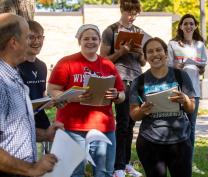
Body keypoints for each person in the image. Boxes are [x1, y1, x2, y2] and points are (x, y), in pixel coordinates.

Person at [48, 24, 125, 177]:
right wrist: (73, 97)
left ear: (100, 41)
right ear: (79, 41)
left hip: (103, 127)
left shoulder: (107, 64)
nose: (90, 42)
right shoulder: (67, 62)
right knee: (74, 173)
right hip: (72, 127)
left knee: (104, 172)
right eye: (86, 38)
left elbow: (122, 95)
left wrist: (116, 95)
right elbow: (51, 90)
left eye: (94, 38)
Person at [0, 13, 57, 177]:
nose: (34, 43)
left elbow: (12, 131)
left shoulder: (14, 75)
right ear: (14, 42)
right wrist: (30, 169)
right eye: (28, 38)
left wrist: (45, 134)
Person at [129, 37, 195, 177]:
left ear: (166, 53)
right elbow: (133, 115)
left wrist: (185, 100)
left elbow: (191, 108)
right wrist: (142, 111)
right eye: (150, 51)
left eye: (159, 50)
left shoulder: (181, 76)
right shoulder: (139, 81)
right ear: (146, 57)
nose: (155, 54)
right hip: (150, 142)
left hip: (180, 141)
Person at [100, 0, 148, 176]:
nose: (132, 16)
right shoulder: (110, 30)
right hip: (119, 80)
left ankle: (126, 163)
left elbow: (143, 62)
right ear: (121, 9)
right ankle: (117, 167)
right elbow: (103, 60)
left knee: (131, 124)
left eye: (135, 13)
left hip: (137, 80)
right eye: (129, 12)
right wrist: (121, 51)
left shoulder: (139, 32)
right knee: (123, 123)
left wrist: (141, 53)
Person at [167, 13, 207, 174]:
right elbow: (168, 66)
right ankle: (173, 160)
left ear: (195, 26)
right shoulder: (173, 44)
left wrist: (200, 66)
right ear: (181, 26)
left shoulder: (200, 45)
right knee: (174, 126)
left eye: (192, 23)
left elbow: (203, 68)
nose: (189, 26)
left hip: (193, 92)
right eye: (186, 23)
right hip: (176, 89)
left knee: (191, 127)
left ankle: (188, 162)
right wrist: (176, 65)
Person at [17, 20, 64, 148]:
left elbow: (39, 94)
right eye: (31, 37)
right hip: (21, 125)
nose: (37, 42)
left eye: (40, 37)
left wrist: (52, 102)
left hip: (41, 123)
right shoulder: (15, 66)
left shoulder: (42, 66)